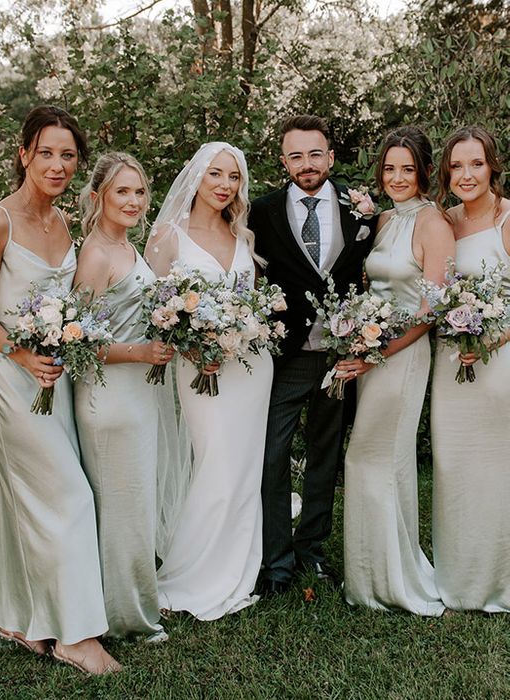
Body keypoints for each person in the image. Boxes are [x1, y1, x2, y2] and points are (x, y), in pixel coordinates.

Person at [0, 105, 120, 674]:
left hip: (56, 378)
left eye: (68, 155)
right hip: (13, 379)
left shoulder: (64, 223)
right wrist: (22, 354)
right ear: (24, 153)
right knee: (69, 496)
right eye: (46, 152)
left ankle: (16, 619)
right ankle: (76, 637)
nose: (57, 165)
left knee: (24, 497)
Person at [248, 115, 376, 596]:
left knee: (326, 454)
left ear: (331, 156)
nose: (307, 164)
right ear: (283, 161)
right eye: (296, 156)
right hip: (286, 356)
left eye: (315, 153)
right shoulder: (261, 212)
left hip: (342, 356)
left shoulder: (360, 207)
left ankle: (312, 551)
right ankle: (276, 562)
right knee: (272, 456)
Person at [145, 141, 272, 619]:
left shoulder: (244, 236)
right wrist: (194, 346)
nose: (224, 185)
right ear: (196, 177)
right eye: (215, 174)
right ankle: (195, 572)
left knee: (243, 466)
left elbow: (253, 306)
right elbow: (152, 310)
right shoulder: (167, 235)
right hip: (197, 369)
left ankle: (239, 564)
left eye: (233, 177)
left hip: (250, 368)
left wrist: (243, 333)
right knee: (215, 461)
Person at [337, 125, 453, 616]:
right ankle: (366, 574)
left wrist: (376, 352)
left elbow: (431, 310)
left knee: (377, 459)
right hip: (371, 353)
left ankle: (392, 580)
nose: (398, 177)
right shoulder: (381, 220)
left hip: (401, 357)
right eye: (389, 168)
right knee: (367, 459)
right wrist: (357, 335)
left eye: (408, 168)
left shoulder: (433, 223)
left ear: (425, 171)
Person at [73, 152, 184, 641]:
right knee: (123, 510)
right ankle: (127, 619)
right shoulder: (95, 254)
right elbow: (78, 340)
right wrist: (141, 351)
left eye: (139, 191)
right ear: (98, 196)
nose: (134, 201)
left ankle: (131, 601)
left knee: (135, 505)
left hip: (137, 395)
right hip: (109, 398)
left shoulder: (125, 246)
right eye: (122, 191)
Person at [430, 126, 510, 612]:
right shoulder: (443, 221)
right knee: (452, 464)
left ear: (491, 166)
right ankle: (457, 577)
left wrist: (494, 338)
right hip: (449, 362)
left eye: (475, 164)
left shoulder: (506, 216)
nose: (466, 174)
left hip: (498, 360)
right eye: (457, 166)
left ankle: (497, 579)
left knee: (496, 468)